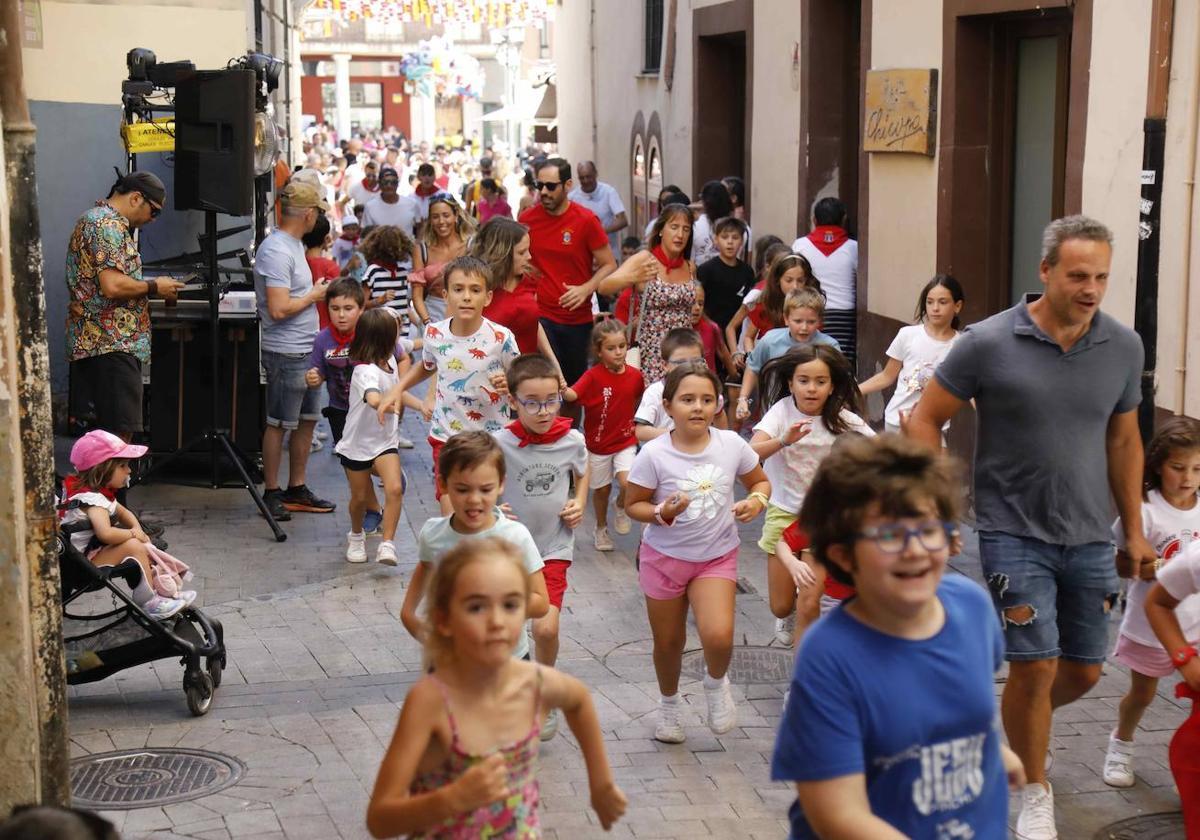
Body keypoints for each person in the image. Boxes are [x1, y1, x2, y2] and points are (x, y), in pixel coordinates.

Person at [907, 215, 1152, 840]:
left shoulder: (1123, 347)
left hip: (1093, 532)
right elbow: (922, 418)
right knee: (1035, 668)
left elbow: (1125, 440)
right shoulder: (989, 342)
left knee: (1086, 671)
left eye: (1100, 276)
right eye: (1078, 275)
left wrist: (1136, 528)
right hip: (1012, 529)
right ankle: (1034, 788)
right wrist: (937, 504)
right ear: (1045, 271)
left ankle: (1007, 731)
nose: (1091, 288)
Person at [772, 433, 1024, 839]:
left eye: (928, 528)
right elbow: (834, 814)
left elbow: (957, 709)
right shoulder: (829, 657)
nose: (915, 549)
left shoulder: (971, 608)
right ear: (842, 554)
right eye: (889, 535)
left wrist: (992, 750)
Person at [366, 538, 626, 838]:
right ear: (444, 619)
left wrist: (601, 782)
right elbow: (380, 819)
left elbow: (578, 699)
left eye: (511, 605)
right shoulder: (432, 701)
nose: (497, 620)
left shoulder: (534, 683)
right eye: (477, 607)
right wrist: (453, 799)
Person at [625, 363, 770, 742]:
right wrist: (662, 512)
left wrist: (756, 501)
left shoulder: (731, 445)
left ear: (718, 405)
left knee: (719, 636)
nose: (698, 408)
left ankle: (715, 683)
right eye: (687, 400)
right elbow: (633, 505)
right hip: (663, 558)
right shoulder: (654, 454)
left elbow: (760, 481)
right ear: (668, 406)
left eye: (707, 400)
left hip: (716, 556)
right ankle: (669, 706)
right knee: (669, 643)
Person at [376, 256, 520, 515]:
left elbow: (521, 379)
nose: (466, 297)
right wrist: (396, 390)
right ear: (445, 295)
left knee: (485, 512)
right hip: (446, 435)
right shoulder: (434, 335)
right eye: (458, 289)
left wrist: (509, 383)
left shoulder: (502, 337)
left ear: (487, 297)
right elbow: (427, 366)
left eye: (475, 290)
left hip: (492, 438)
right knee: (451, 511)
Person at [748, 345, 871, 645]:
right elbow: (749, 453)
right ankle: (788, 614)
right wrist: (783, 440)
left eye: (820, 381)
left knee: (810, 598)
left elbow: (879, 451)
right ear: (791, 383)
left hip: (823, 519)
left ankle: (806, 671)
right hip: (783, 511)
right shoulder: (781, 412)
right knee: (781, 604)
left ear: (832, 387)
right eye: (803, 380)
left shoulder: (844, 419)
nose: (812, 388)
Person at [1101, 417, 1200, 787]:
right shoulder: (1143, 510)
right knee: (1142, 694)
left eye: (1197, 469)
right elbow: (1122, 562)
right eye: (1178, 468)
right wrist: (1155, 566)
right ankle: (1120, 743)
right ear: (1159, 466)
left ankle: (1192, 761)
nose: (1188, 477)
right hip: (1150, 624)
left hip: (1196, 624)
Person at [495, 354, 589, 738]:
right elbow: (478, 480)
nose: (543, 410)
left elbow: (582, 474)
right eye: (531, 402)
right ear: (513, 401)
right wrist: (490, 507)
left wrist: (579, 501)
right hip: (508, 551)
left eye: (551, 400)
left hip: (553, 545)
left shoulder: (572, 440)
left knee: (546, 630)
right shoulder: (499, 442)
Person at [400, 433, 550, 658]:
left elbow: (541, 602)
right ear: (443, 484)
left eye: (485, 489)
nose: (474, 499)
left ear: (501, 485)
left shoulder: (514, 536)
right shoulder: (433, 534)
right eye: (462, 489)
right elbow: (411, 605)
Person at [66, 170, 184, 439]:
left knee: (110, 437)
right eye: (154, 212)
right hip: (109, 344)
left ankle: (104, 481)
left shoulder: (104, 223)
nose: (152, 220)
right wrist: (155, 287)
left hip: (106, 344)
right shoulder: (104, 226)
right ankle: (107, 482)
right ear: (135, 198)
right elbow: (113, 285)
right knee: (118, 437)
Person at [252, 181, 337, 521]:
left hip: (306, 349)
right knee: (279, 423)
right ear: (309, 214)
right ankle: (272, 490)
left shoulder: (293, 246)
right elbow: (278, 308)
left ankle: (296, 487)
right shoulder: (277, 250)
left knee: (306, 421)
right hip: (286, 352)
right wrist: (313, 297)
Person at [60, 430, 195, 620]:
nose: (129, 471)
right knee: (133, 546)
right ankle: (149, 602)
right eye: (122, 466)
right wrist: (133, 535)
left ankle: (161, 591)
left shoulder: (95, 494)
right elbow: (106, 534)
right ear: (103, 469)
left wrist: (138, 529)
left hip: (80, 558)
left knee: (137, 545)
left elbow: (123, 512)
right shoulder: (92, 501)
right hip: (80, 568)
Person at [306, 280, 403, 538]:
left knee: (371, 459)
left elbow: (401, 356)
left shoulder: (372, 331)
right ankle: (373, 508)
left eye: (348, 308)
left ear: (361, 309)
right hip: (341, 412)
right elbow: (317, 372)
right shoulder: (322, 340)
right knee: (354, 465)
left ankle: (388, 475)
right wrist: (314, 378)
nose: (340, 314)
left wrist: (397, 391)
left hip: (375, 411)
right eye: (334, 308)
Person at [520, 158, 617, 391]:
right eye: (539, 185)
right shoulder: (526, 220)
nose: (543, 191)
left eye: (550, 186)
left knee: (572, 388)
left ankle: (570, 428)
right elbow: (515, 260)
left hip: (576, 319)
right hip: (539, 315)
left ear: (568, 185)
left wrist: (586, 288)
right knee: (544, 382)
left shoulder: (585, 220)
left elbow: (609, 264)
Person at [330, 309, 415, 565]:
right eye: (396, 330)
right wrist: (382, 405)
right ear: (385, 337)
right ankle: (356, 536)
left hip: (385, 443)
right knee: (358, 500)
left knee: (395, 488)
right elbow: (373, 396)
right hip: (356, 446)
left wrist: (421, 406)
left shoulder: (390, 361)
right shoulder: (364, 371)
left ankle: (387, 545)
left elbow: (397, 392)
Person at [564, 320, 645, 552]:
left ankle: (621, 505)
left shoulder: (635, 376)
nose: (618, 352)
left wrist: (631, 422)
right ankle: (600, 527)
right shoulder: (592, 377)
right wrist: (559, 387)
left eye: (622, 346)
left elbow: (636, 399)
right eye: (611, 348)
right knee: (601, 490)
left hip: (625, 440)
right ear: (599, 352)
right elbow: (572, 395)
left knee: (628, 482)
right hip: (597, 445)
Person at [599, 204, 697, 385]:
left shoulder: (690, 266)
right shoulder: (645, 258)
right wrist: (633, 277)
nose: (680, 235)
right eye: (674, 227)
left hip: (684, 351)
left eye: (686, 229)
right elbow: (604, 287)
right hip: (652, 355)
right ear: (660, 230)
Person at [858, 275, 965, 433]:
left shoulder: (962, 344)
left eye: (943, 302)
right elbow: (887, 376)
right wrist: (852, 391)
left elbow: (971, 386)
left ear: (957, 306)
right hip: (897, 422)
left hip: (934, 427)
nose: (935, 308)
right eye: (930, 302)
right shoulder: (907, 335)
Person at [473, 217, 566, 373]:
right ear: (502, 254)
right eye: (522, 252)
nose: (529, 257)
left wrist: (553, 363)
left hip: (527, 375)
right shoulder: (476, 285)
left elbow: (532, 323)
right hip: (489, 376)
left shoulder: (529, 279)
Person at [736, 288, 840, 416]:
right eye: (798, 321)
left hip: (818, 413)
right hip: (774, 412)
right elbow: (753, 367)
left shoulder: (829, 346)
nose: (804, 327)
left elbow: (840, 380)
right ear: (786, 318)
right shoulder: (770, 341)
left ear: (819, 321)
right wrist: (743, 399)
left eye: (811, 322)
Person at [792, 196, 858, 362]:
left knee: (809, 358)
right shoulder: (854, 247)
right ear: (843, 220)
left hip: (810, 310)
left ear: (814, 220)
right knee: (841, 362)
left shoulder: (800, 245)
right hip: (845, 316)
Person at [634, 328, 727, 442]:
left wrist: (722, 442)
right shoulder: (656, 391)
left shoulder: (708, 389)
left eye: (696, 361)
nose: (688, 367)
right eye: (681, 363)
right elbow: (640, 431)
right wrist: (677, 434)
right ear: (665, 365)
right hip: (665, 454)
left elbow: (719, 415)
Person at [724, 250, 813, 368]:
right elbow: (745, 335)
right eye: (789, 280)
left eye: (800, 280)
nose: (795, 286)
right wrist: (746, 356)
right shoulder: (762, 300)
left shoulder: (811, 304)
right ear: (778, 280)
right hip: (767, 364)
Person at [411, 193, 474, 331]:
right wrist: (427, 323)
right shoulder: (421, 249)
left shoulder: (470, 245)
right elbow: (417, 294)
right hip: (431, 312)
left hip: (465, 310)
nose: (441, 222)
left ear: (456, 216)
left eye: (446, 215)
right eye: (435, 217)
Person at [697, 217, 755, 333]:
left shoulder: (747, 271)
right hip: (710, 331)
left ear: (742, 242)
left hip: (738, 331)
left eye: (735, 237)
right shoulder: (706, 270)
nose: (730, 242)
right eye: (724, 237)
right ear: (715, 240)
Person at [568, 160, 629, 258]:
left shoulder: (609, 192)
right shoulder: (572, 198)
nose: (586, 181)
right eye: (582, 178)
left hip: (609, 253)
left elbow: (623, 220)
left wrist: (599, 231)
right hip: (583, 256)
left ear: (595, 174)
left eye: (589, 177)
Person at [361, 225, 417, 328]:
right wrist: (379, 300)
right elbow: (361, 304)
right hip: (379, 328)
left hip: (402, 330)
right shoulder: (373, 271)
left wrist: (419, 323)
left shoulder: (402, 273)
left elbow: (404, 306)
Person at [301, 213, 341, 330]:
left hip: (300, 328)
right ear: (326, 238)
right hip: (325, 328)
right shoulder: (330, 267)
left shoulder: (297, 262)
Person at [690, 283, 735, 375]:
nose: (697, 308)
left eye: (701, 304)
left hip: (709, 384)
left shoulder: (711, 327)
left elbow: (722, 352)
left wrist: (734, 375)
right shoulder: (673, 330)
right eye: (692, 302)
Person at [361, 167, 419, 238]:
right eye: (385, 182)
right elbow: (366, 233)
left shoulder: (412, 204)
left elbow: (420, 226)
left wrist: (418, 243)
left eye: (393, 182)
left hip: (407, 248)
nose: (389, 186)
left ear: (397, 184)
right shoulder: (370, 206)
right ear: (379, 183)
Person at [690, 180, 735, 267]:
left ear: (704, 202)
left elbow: (690, 259)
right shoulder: (740, 228)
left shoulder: (695, 227)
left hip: (699, 276)